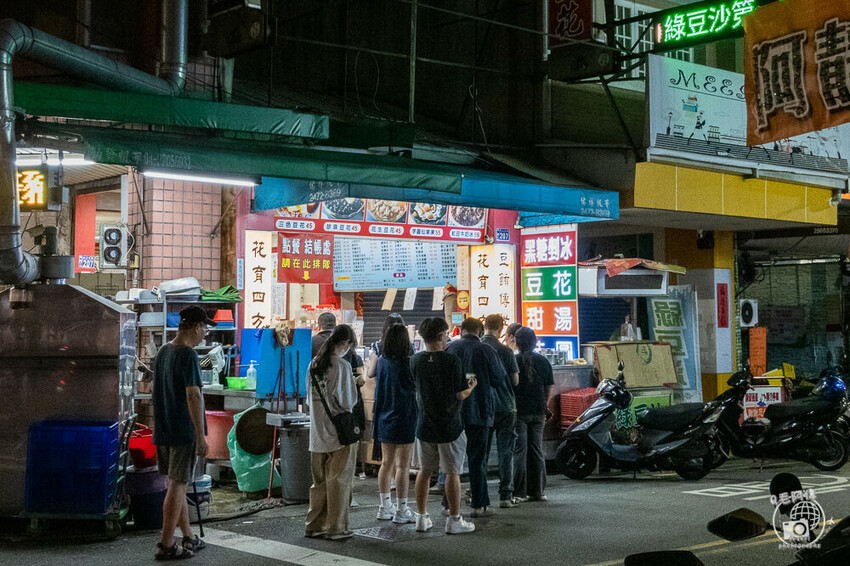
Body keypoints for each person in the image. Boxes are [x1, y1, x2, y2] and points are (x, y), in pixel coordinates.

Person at [152, 306, 212, 560]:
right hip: (182, 430)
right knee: (177, 485)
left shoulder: (164, 351)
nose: (205, 333)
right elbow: (193, 394)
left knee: (177, 482)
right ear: (197, 326)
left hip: (164, 428)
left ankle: (187, 536)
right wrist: (200, 435)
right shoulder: (188, 355)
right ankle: (166, 544)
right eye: (205, 328)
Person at [411, 317, 477, 534]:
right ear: (441, 335)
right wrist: (471, 387)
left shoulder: (416, 361)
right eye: (446, 333)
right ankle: (454, 520)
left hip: (424, 424)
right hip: (450, 425)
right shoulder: (452, 361)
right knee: (452, 472)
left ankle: (421, 517)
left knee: (424, 471)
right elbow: (460, 393)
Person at [445, 317, 507, 517]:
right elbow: (499, 379)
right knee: (478, 459)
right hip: (480, 411)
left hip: (453, 412)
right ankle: (478, 506)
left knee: (451, 462)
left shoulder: (450, 349)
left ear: (461, 330)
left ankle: (448, 505)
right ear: (480, 332)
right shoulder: (486, 350)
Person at [306, 324, 360, 540]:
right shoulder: (342, 366)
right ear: (346, 343)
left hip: (316, 433)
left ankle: (314, 525)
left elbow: (309, 399)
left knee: (318, 483)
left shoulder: (314, 364)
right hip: (338, 433)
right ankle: (336, 528)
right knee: (339, 481)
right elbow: (348, 402)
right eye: (350, 345)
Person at [373, 323, 417, 523]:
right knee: (403, 466)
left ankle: (384, 507)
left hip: (383, 416)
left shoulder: (381, 360)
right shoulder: (410, 362)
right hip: (405, 415)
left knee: (386, 463)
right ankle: (402, 510)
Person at [481, 314, 520, 508]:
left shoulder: (478, 348)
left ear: (485, 326)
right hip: (506, 406)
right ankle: (505, 495)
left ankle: (476, 492)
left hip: (484, 407)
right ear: (500, 329)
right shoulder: (506, 352)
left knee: (482, 451)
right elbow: (515, 381)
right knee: (506, 452)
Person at [513, 327, 554, 502]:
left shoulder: (514, 360)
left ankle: (519, 492)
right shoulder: (543, 361)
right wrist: (545, 404)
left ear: (517, 342)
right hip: (539, 411)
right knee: (536, 450)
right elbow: (549, 386)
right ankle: (538, 492)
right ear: (534, 341)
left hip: (519, 411)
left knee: (520, 451)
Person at [366, 312, 405, 379]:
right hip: (405, 388)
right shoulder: (409, 347)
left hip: (384, 387)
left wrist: (367, 365)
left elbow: (370, 373)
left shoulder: (378, 346)